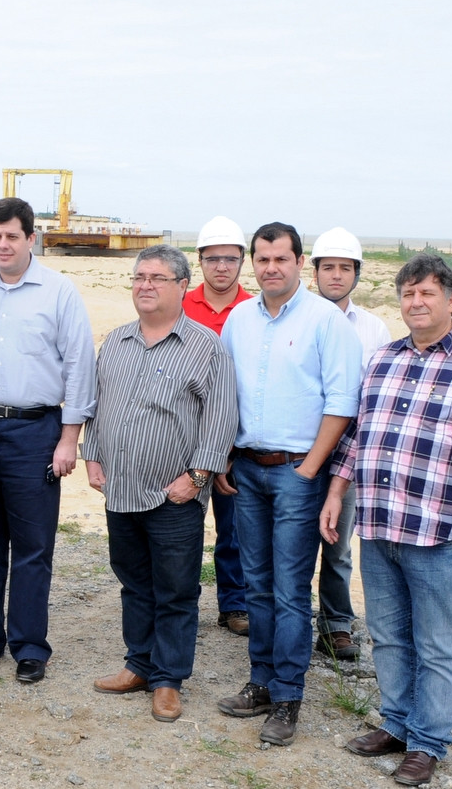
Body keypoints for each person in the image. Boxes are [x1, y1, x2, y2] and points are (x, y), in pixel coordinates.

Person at [321, 253, 452, 788]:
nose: (417, 302)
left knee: (437, 643)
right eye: (408, 293)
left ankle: (427, 742)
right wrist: (336, 491)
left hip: (438, 532)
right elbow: (358, 438)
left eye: (428, 293)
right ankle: (397, 724)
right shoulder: (382, 360)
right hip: (380, 527)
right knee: (387, 636)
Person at [216, 222, 361, 745]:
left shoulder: (326, 320)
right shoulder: (239, 319)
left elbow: (342, 402)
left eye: (281, 259)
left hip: (298, 471)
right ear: (253, 264)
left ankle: (287, 696)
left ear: (299, 262)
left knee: (290, 589)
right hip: (247, 470)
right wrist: (226, 456)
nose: (270, 267)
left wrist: (309, 470)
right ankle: (259, 682)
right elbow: (224, 393)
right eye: (262, 259)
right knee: (256, 582)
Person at [83, 246, 237, 723]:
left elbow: (220, 418)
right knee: (133, 582)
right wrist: (92, 456)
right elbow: (100, 405)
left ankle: (168, 679)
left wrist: (195, 478)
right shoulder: (116, 342)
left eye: (157, 277)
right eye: (139, 277)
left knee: (175, 589)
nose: (145, 285)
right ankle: (139, 665)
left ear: (181, 286)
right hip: (122, 489)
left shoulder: (204, 346)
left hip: (175, 495)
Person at [0, 197, 96, 684]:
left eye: (12, 236)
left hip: (37, 431)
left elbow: (80, 366)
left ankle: (30, 645)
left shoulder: (58, 292)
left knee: (33, 544)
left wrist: (68, 439)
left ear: (31, 238)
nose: (2, 245)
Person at [307, 226, 393, 662]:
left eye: (345, 268)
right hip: (298, 453)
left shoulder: (374, 330)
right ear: (315, 270)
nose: (336, 276)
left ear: (357, 273)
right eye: (328, 267)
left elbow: (374, 399)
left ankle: (336, 625)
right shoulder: (295, 316)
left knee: (338, 546)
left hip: (350, 456)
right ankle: (278, 619)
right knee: (288, 543)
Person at [183, 215, 253, 637]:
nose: (221, 267)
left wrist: (227, 447)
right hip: (184, 436)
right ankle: (180, 599)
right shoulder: (180, 303)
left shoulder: (255, 309)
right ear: (200, 261)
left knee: (234, 529)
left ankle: (235, 604)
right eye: (213, 259)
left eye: (230, 259)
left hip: (234, 440)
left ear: (242, 262)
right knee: (183, 525)